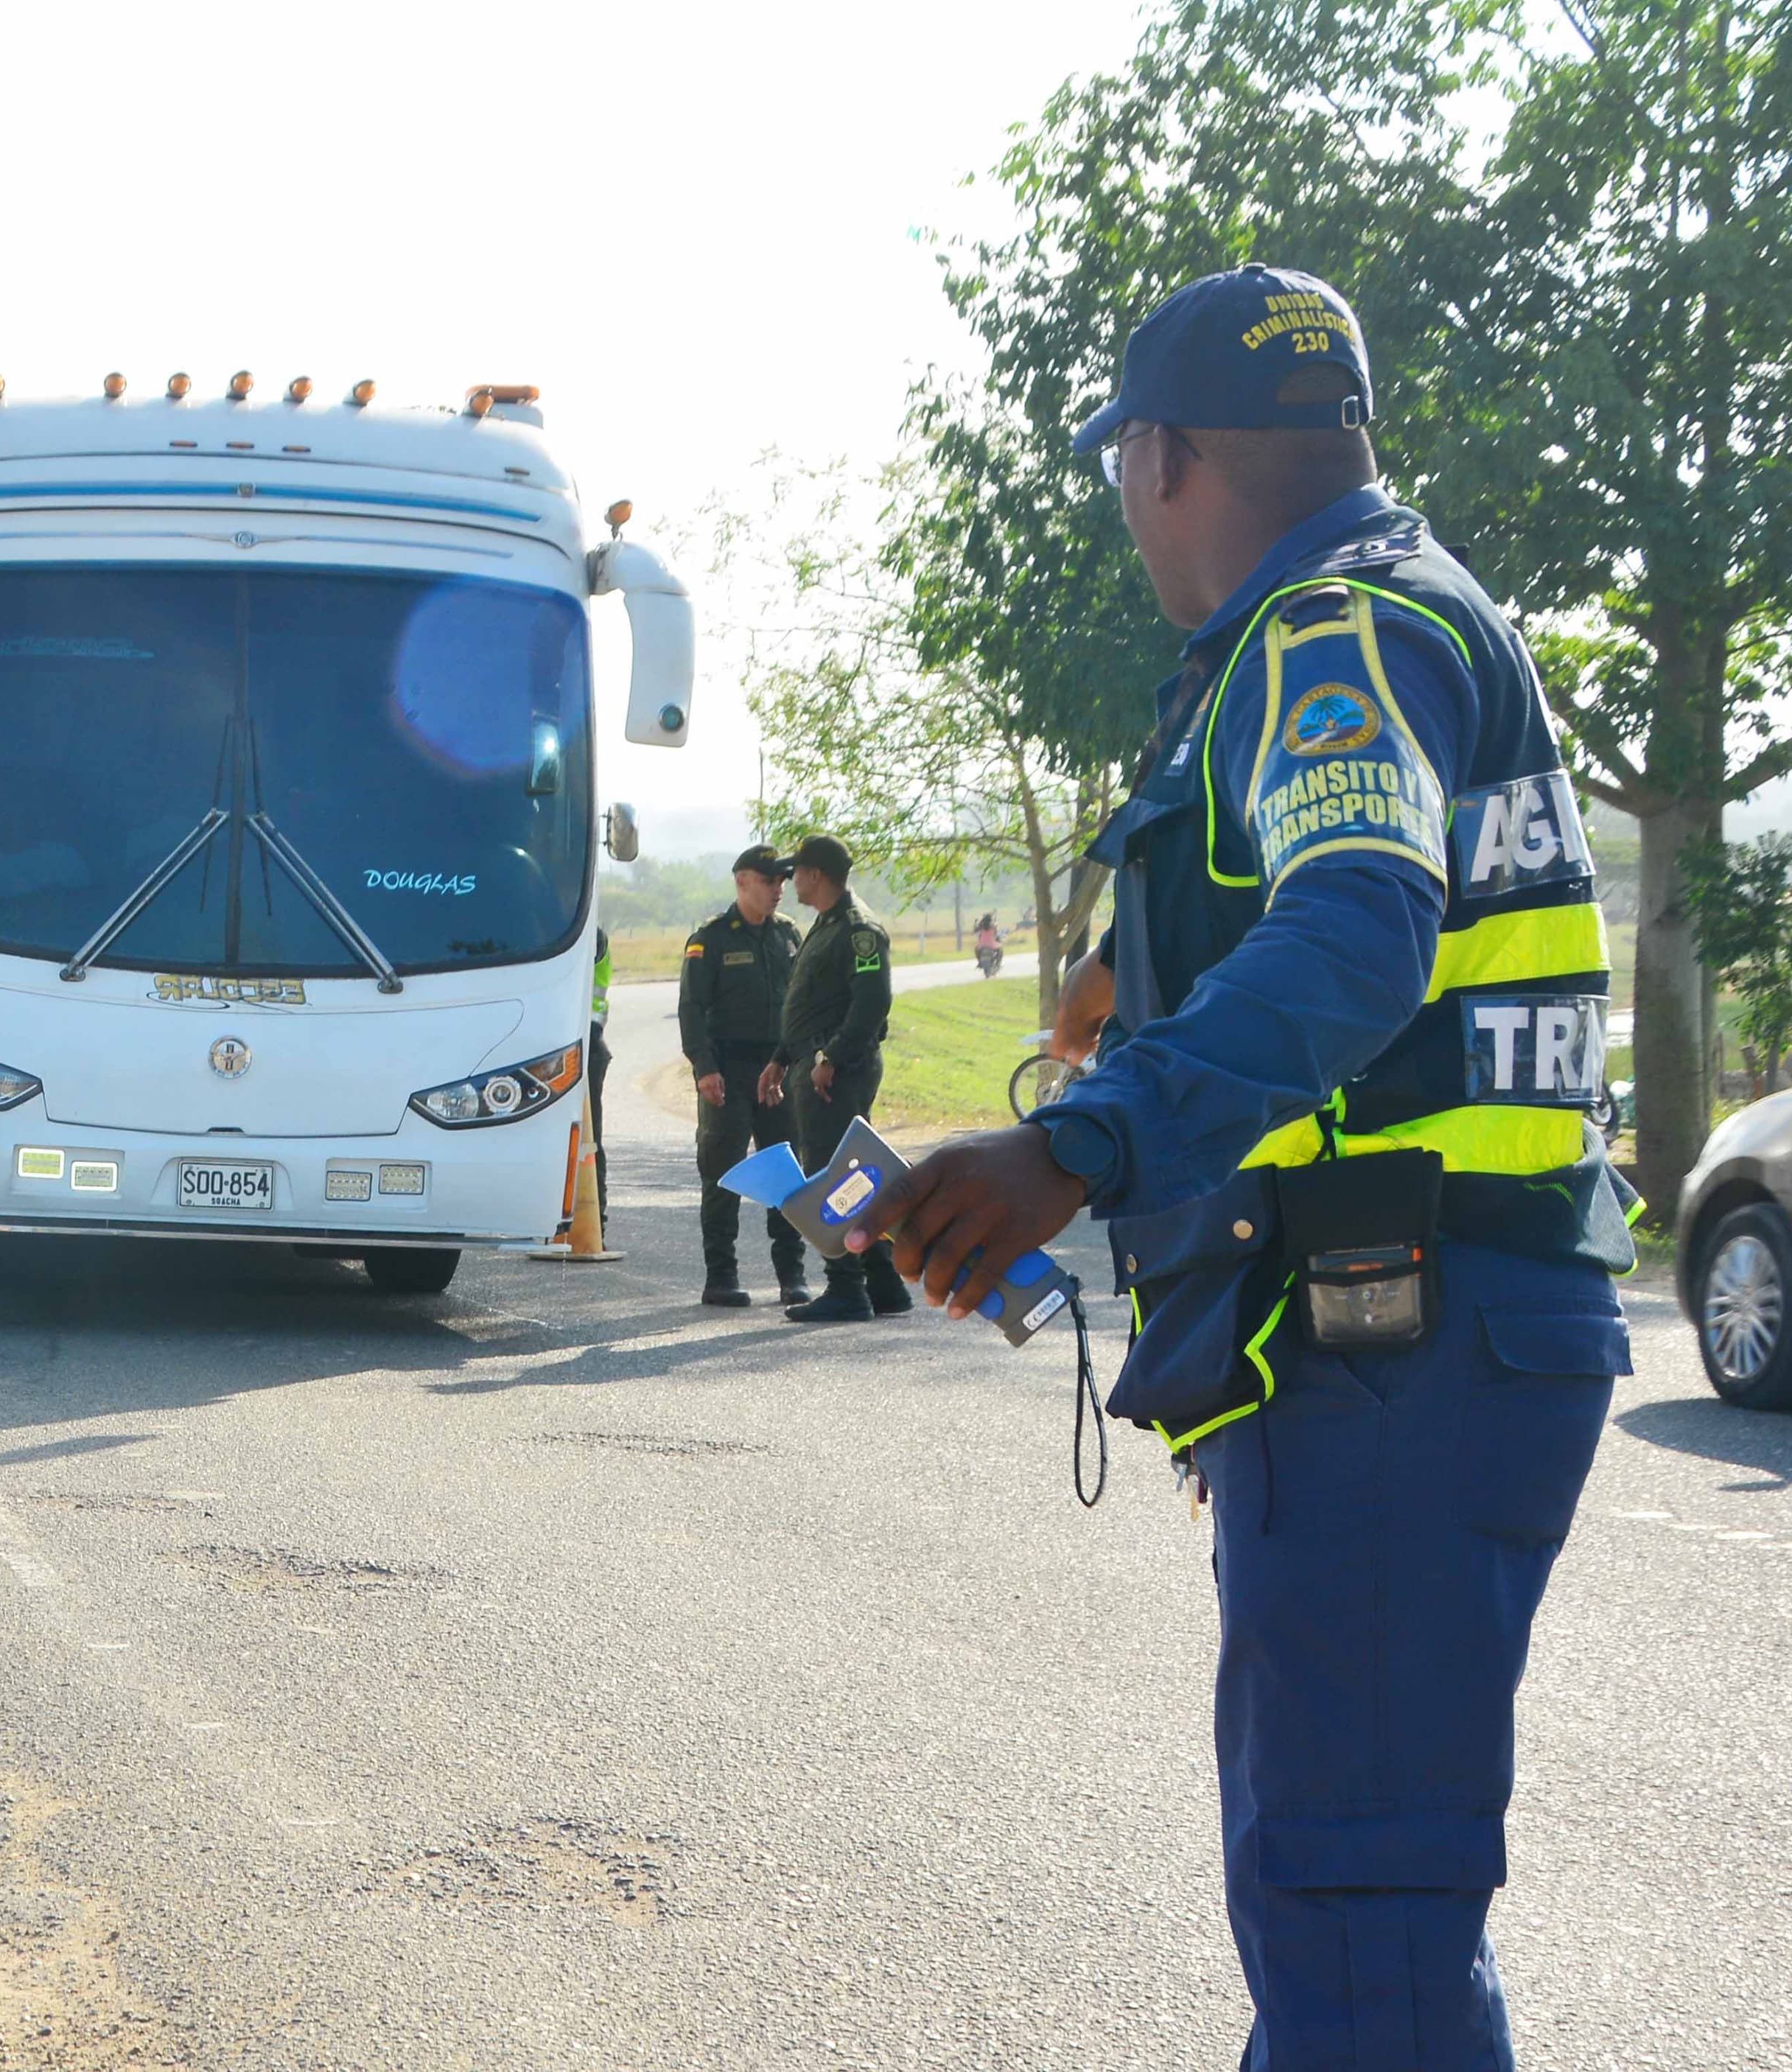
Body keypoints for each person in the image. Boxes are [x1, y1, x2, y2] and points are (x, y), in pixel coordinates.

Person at [848, 265, 1634, 2067]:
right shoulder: (1418, 613)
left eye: (1124, 465)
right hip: (1403, 1340)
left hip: (1397, 1348)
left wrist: (1077, 1141)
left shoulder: (1328, 633)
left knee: (1353, 1912)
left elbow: (1360, 932)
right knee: (1361, 1907)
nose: (1128, 508)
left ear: (1168, 454)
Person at [761, 835, 909, 1323]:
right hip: (815, 1063)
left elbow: (871, 1003)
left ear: (815, 875)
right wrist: (782, 1058)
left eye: (795, 871)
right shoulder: (825, 926)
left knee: (833, 1176)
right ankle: (884, 1284)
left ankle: (846, 1288)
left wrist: (833, 1058)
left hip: (837, 1071)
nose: (789, 880)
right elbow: (811, 1003)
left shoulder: (858, 929)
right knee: (853, 1173)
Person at [678, 844, 807, 1308]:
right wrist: (704, 1068)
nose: (779, 889)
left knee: (786, 1173)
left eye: (782, 882)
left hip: (778, 1072)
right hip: (728, 1072)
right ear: (743, 882)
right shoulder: (710, 939)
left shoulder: (789, 935)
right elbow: (691, 1008)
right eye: (770, 880)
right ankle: (721, 1276)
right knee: (723, 1171)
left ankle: (792, 1275)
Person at [587, 924, 613, 1231]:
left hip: (589, 1046)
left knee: (589, 1141)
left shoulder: (588, 933)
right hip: (564, 1045)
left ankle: (595, 1225)